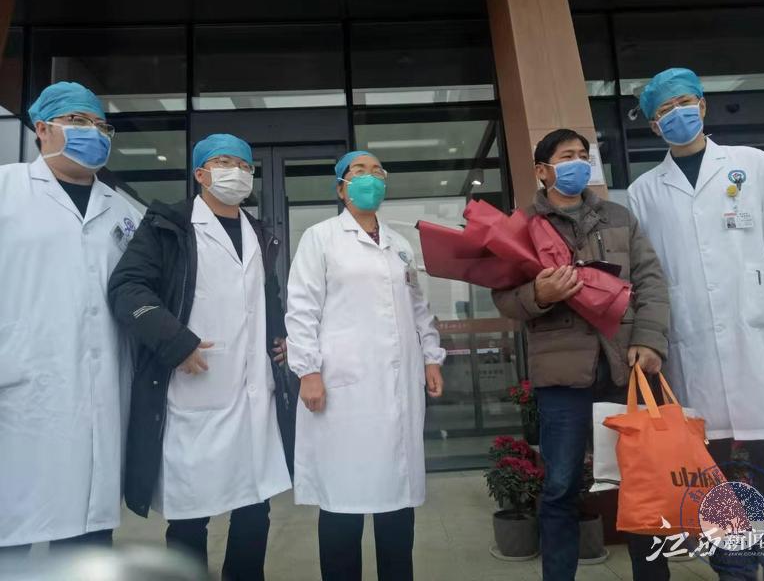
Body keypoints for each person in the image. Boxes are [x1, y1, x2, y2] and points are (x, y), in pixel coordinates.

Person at [629, 67, 764, 580]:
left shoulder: (752, 164)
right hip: (694, 348)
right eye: (664, 111)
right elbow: (647, 276)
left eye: (684, 103)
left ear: (702, 105)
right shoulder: (643, 191)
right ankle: (735, 573)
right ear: (654, 126)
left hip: (760, 340)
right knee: (714, 482)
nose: (677, 115)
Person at [107, 134, 291, 580]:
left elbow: (264, 296)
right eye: (225, 162)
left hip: (253, 395)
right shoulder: (168, 225)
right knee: (191, 516)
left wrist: (280, 334)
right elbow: (127, 288)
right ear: (201, 174)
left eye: (244, 165)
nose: (237, 172)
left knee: (255, 511)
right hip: (193, 391)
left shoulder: (259, 232)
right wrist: (175, 341)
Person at [492, 129, 672, 581]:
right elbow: (505, 298)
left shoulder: (618, 217)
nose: (578, 163)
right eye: (566, 156)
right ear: (542, 170)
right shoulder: (521, 225)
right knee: (560, 486)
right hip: (562, 376)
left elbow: (651, 281)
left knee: (641, 483)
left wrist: (650, 339)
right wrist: (540, 294)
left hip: (624, 367)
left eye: (583, 155)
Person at [285, 151, 445, 581]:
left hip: (398, 388)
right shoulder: (320, 238)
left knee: (398, 500)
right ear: (341, 188)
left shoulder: (400, 245)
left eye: (378, 171)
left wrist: (431, 356)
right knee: (344, 500)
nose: (370, 177)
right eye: (359, 171)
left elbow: (419, 307)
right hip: (343, 392)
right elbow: (301, 308)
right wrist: (308, 371)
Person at [0, 82, 141, 552]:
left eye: (101, 125)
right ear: (42, 129)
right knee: (12, 530)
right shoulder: (6, 189)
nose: (93, 133)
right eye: (79, 122)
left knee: (87, 541)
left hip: (101, 394)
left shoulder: (124, 212)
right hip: (20, 392)